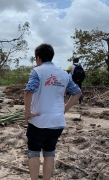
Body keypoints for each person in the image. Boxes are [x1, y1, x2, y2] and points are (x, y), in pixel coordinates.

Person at [24, 44, 82, 180]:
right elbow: (77, 93)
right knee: (49, 153)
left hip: (39, 121)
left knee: (34, 152)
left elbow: (28, 91)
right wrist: (64, 110)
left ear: (38, 58)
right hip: (57, 123)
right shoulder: (64, 74)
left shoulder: (37, 71)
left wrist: (27, 112)